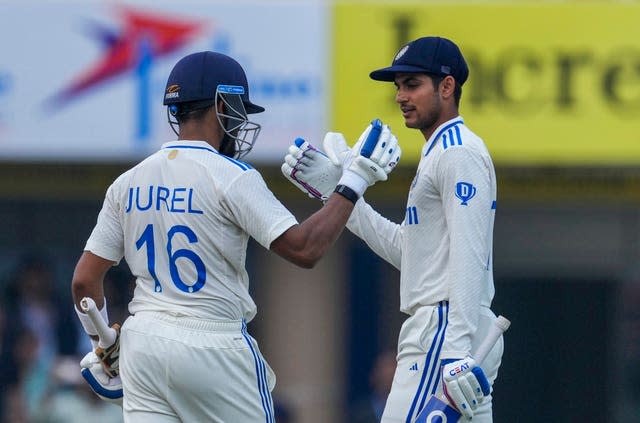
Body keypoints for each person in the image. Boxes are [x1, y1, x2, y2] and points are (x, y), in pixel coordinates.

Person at [70, 50, 401, 422]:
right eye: (238, 109)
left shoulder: (127, 182)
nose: (241, 121)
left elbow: (84, 281)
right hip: (213, 344)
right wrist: (354, 181)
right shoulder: (231, 175)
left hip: (143, 341)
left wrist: (103, 344)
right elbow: (305, 249)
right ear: (222, 105)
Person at [281, 36, 503, 422]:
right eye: (398, 87)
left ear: (447, 87)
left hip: (445, 331)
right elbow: (412, 254)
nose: (401, 96)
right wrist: (342, 194)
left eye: (413, 84)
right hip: (453, 329)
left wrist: (454, 352)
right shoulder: (440, 151)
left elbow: (468, 254)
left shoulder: (458, 152)